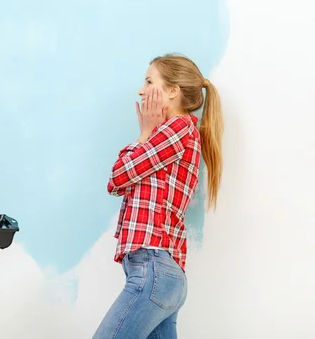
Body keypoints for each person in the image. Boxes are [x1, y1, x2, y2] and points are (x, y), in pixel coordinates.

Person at [92, 53, 224, 339]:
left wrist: (145, 134)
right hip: (164, 274)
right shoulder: (178, 133)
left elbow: (117, 177)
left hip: (153, 268)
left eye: (150, 81)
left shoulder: (176, 129)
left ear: (173, 91)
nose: (141, 90)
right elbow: (119, 185)